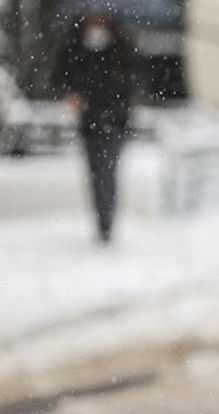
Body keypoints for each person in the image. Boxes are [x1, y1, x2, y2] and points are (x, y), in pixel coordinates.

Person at [54, 12, 133, 243]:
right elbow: (66, 78)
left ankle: (106, 221)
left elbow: (129, 84)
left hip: (114, 122)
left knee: (106, 172)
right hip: (90, 123)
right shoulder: (76, 47)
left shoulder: (120, 48)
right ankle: (103, 220)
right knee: (97, 173)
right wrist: (73, 94)